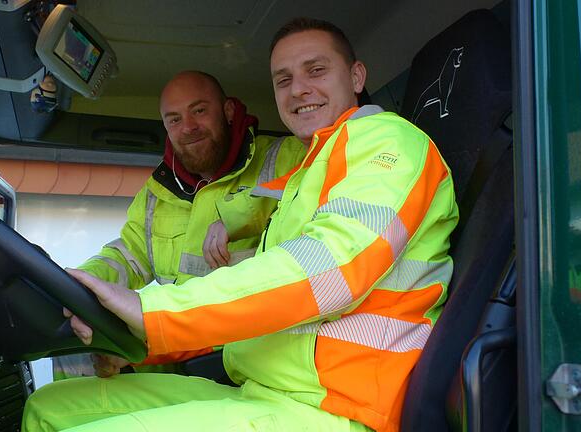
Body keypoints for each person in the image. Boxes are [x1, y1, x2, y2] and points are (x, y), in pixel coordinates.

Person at [24, 17, 458, 432]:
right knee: (48, 407)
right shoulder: (308, 174)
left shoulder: (388, 142)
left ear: (357, 76)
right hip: (260, 390)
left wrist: (151, 312)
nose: (299, 89)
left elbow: (327, 271)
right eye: (283, 80)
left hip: (331, 408)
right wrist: (144, 344)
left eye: (316, 70)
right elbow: (266, 302)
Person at [52, 70, 307, 379]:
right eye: (174, 119)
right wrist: (83, 283)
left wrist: (237, 217)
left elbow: (308, 200)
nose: (188, 127)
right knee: (75, 348)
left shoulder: (285, 157)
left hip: (247, 357)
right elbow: (130, 253)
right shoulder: (156, 192)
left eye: (199, 111)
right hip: (177, 348)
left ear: (227, 111)